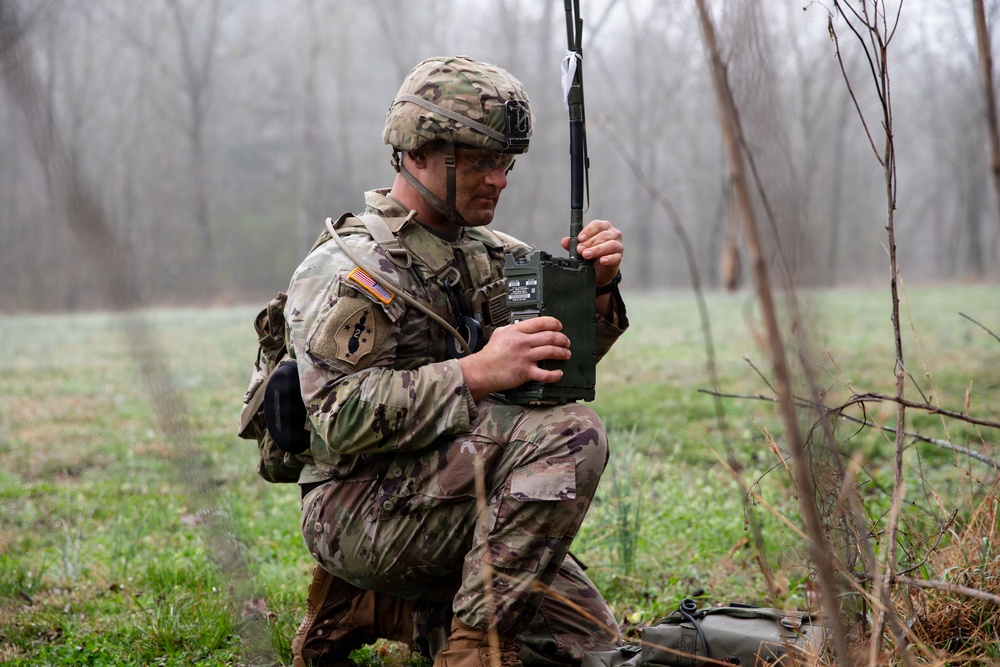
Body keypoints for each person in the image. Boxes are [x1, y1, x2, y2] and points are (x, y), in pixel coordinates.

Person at [284, 55, 629, 667]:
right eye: (478, 162)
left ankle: (372, 607)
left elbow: (550, 377)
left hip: (458, 485)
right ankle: (473, 648)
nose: (498, 179)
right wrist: (477, 372)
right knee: (572, 434)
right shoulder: (352, 268)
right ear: (416, 153)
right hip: (356, 506)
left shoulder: (498, 256)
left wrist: (596, 290)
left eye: (505, 163)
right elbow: (335, 417)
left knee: (586, 648)